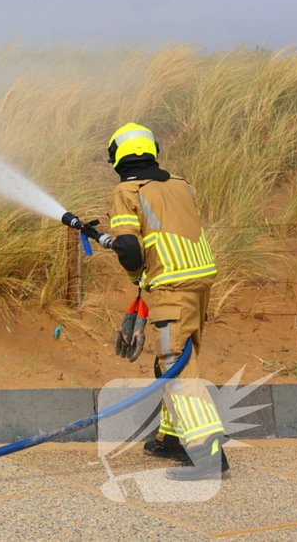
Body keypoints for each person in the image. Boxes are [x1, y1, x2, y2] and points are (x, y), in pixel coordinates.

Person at [104, 123, 228, 481]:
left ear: (117, 158)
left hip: (170, 288)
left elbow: (129, 249)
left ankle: (208, 453)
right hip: (199, 282)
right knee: (180, 357)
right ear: (153, 151)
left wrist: (133, 272)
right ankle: (172, 438)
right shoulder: (182, 185)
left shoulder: (127, 191)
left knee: (175, 366)